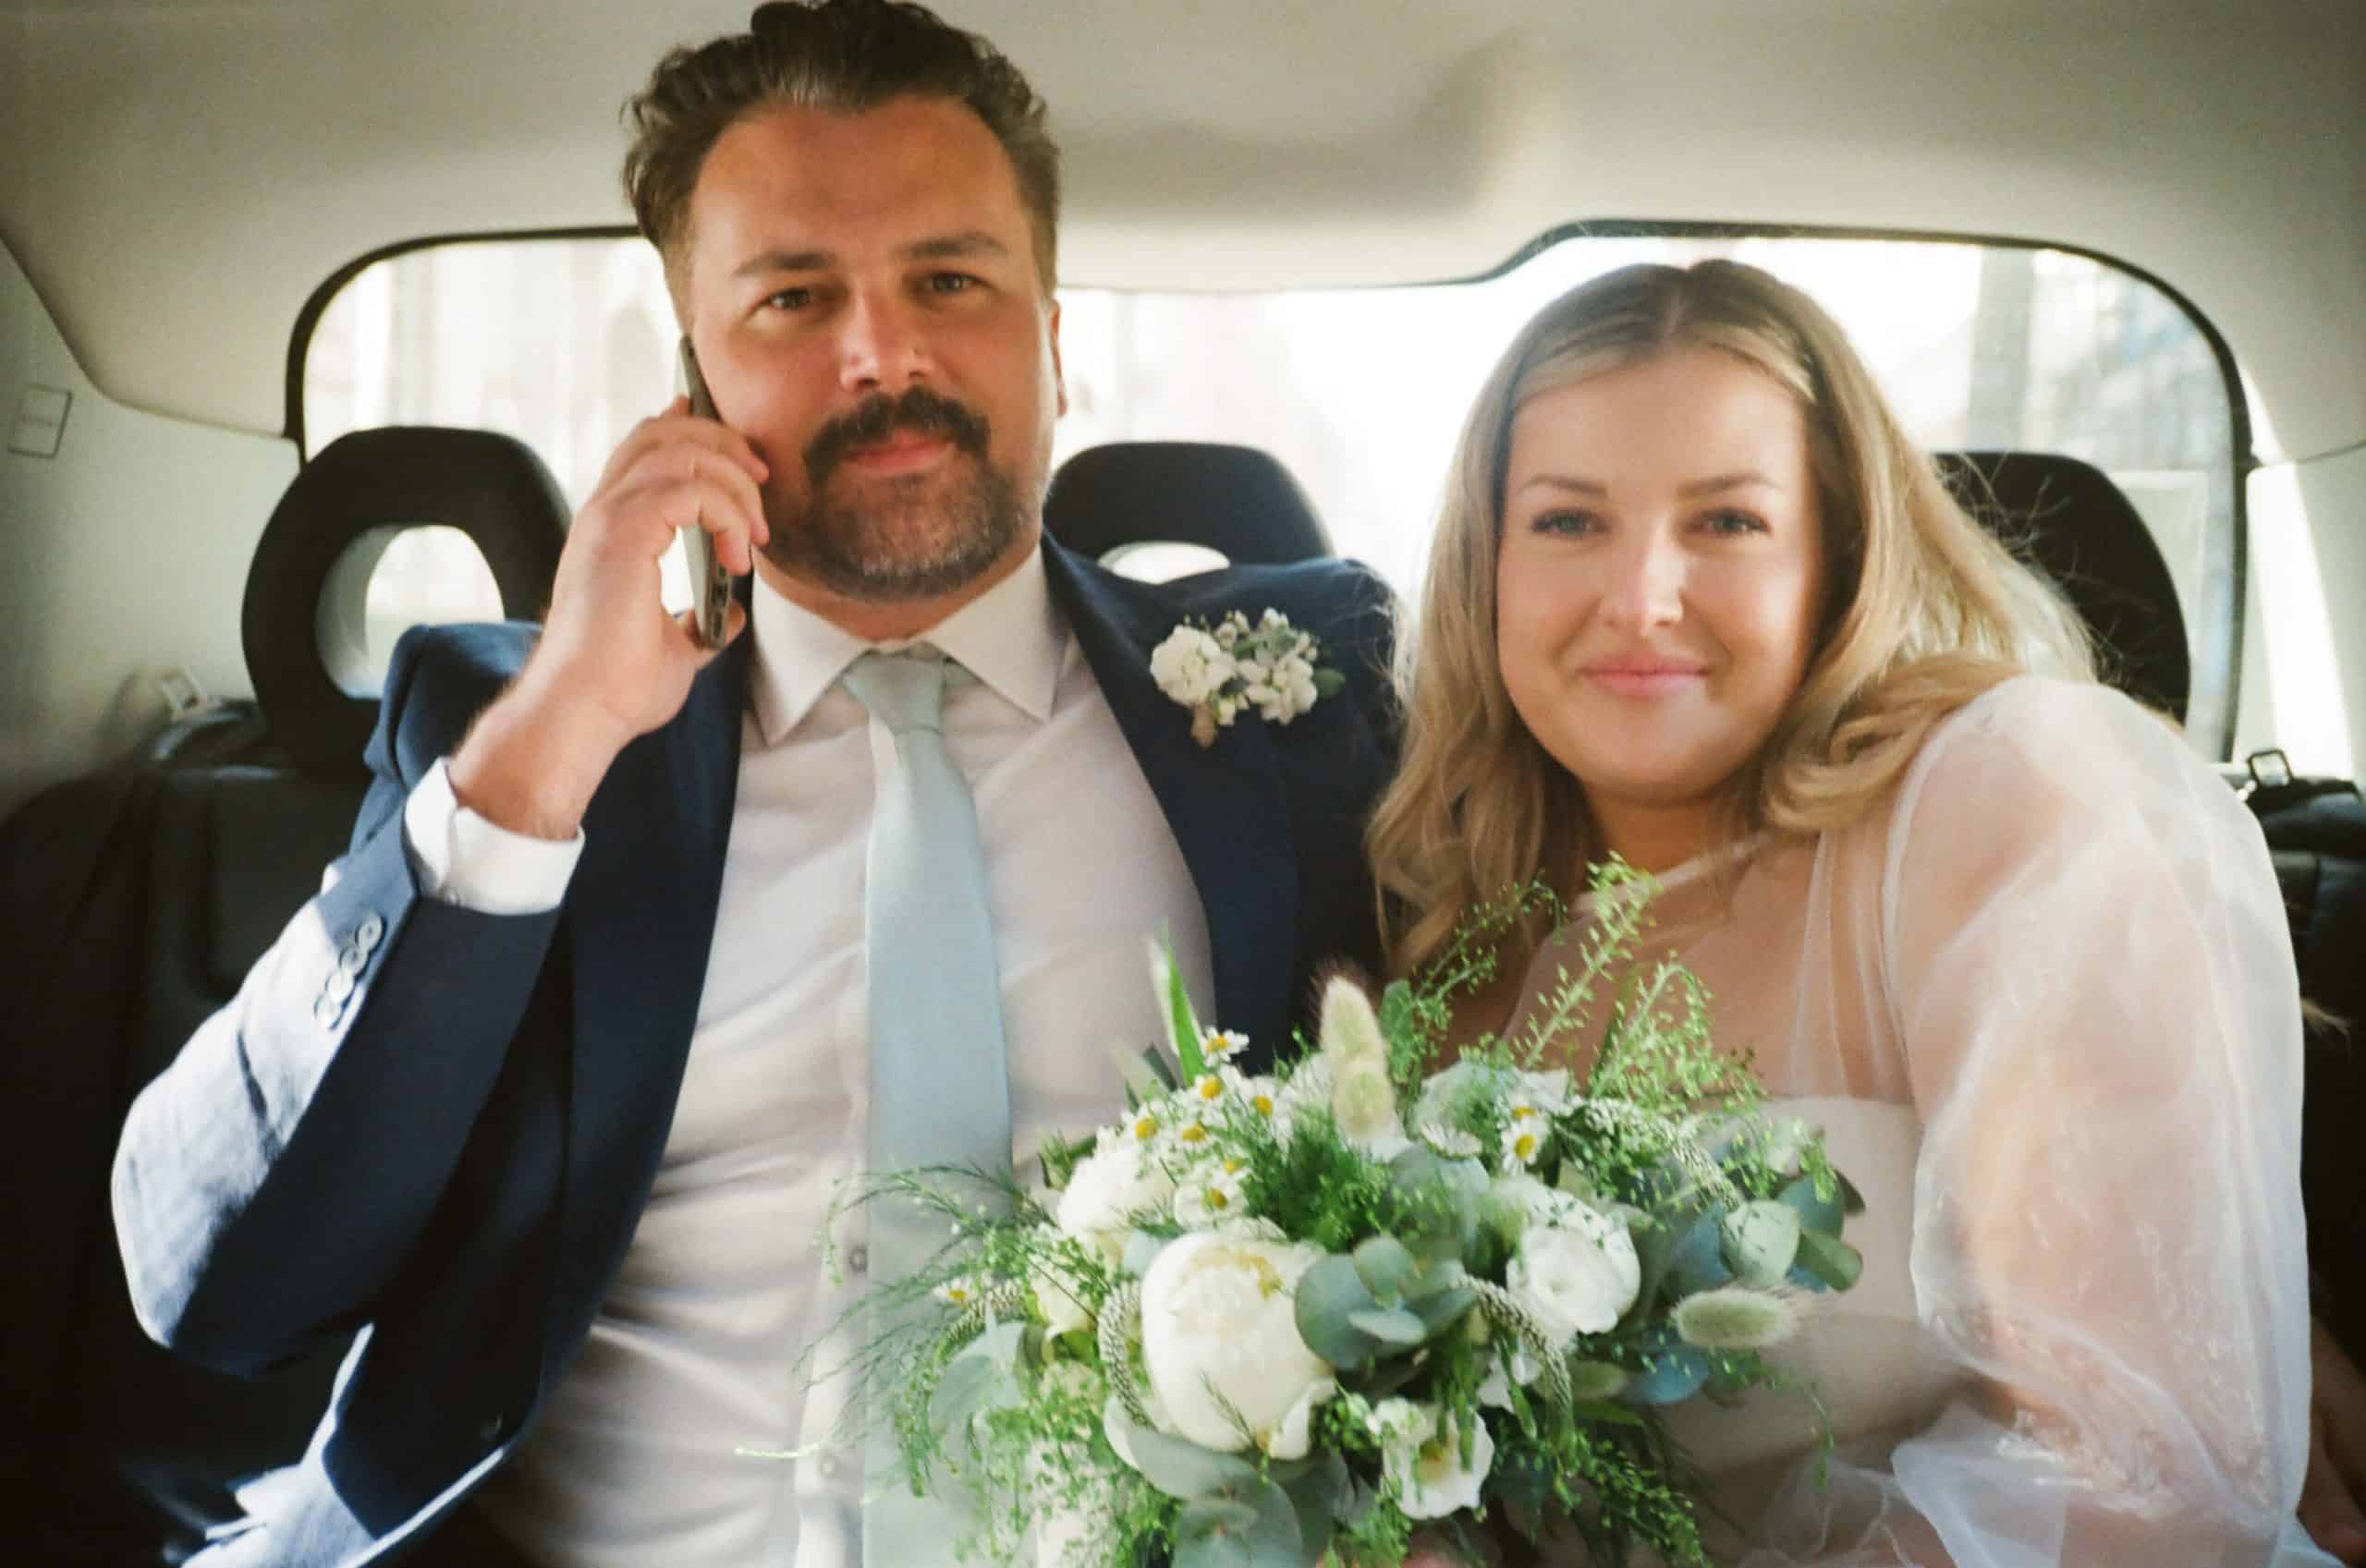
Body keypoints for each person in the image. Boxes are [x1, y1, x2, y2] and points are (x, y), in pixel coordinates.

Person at [108, 4, 1396, 1564]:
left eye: (951, 280)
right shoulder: (513, 725)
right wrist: (557, 732)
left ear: (1052, 335)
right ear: (691, 380)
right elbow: (213, 1282)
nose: (884, 354)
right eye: (793, 297)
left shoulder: (1304, 695)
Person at [1366, 259, 2339, 1565]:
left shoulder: (2005, 810)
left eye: (1725, 522)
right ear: (1483, 570)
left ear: (1839, 553)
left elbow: (2140, 1469)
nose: (1642, 594)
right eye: (1566, 521)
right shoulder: (1464, 959)